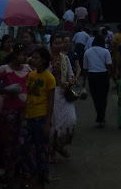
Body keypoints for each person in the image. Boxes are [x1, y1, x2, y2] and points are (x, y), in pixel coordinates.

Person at [19, 47, 56, 189]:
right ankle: (31, 173)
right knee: (22, 145)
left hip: (41, 117)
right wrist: (24, 114)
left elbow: (51, 101)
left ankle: (40, 178)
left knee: (42, 150)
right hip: (29, 116)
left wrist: (47, 123)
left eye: (36, 58)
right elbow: (29, 96)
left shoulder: (49, 78)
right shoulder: (31, 75)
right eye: (32, 57)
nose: (32, 60)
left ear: (44, 61)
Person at [0, 44, 31, 186]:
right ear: (15, 54)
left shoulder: (28, 69)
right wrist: (6, 91)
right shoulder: (4, 70)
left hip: (25, 111)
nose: (24, 58)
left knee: (23, 142)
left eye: (26, 55)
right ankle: (8, 173)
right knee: (9, 142)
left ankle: (22, 171)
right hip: (9, 111)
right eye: (22, 55)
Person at [48, 34, 76, 162]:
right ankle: (52, 150)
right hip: (51, 93)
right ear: (51, 44)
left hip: (64, 94)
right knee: (54, 123)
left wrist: (70, 82)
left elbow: (71, 75)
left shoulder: (65, 59)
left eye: (61, 43)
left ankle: (59, 146)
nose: (59, 46)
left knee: (71, 120)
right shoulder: (46, 59)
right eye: (56, 43)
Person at [82, 33, 115, 127]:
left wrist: (84, 80)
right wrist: (114, 77)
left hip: (92, 76)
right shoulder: (106, 51)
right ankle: (102, 117)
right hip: (103, 75)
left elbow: (85, 68)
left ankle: (99, 116)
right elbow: (110, 66)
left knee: (95, 98)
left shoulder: (87, 52)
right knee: (103, 98)